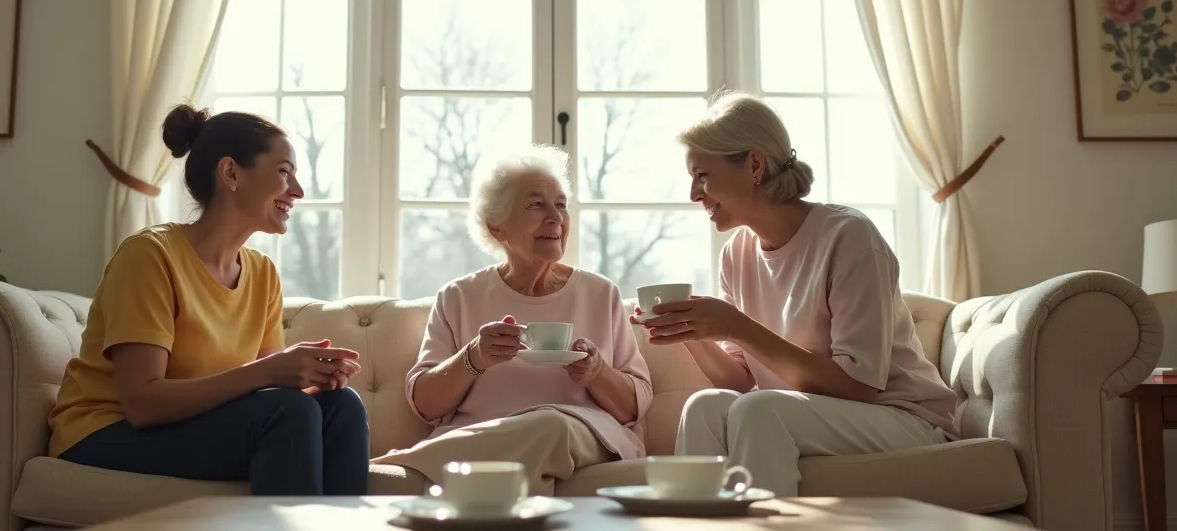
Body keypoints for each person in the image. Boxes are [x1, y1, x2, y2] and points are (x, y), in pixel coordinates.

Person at [635, 90, 957, 497]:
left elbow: (858, 386)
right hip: (813, 413)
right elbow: (739, 379)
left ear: (754, 163)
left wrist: (738, 326)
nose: (694, 195)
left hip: (901, 415)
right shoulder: (737, 253)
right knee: (704, 406)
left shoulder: (849, 237)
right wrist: (692, 334)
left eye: (702, 175)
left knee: (759, 408)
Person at [47, 104, 370, 495]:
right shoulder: (150, 255)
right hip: (105, 430)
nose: (298, 191)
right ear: (231, 172)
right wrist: (271, 373)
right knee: (290, 411)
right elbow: (143, 403)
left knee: (341, 407)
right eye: (284, 172)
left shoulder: (262, 273)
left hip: (189, 425)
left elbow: (265, 389)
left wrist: (306, 373)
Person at [372, 145, 653, 495]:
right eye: (536, 205)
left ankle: (402, 466)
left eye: (561, 204)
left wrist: (598, 373)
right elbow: (426, 405)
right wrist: (473, 358)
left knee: (550, 425)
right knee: (538, 433)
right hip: (485, 432)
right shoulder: (459, 296)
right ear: (496, 227)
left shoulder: (600, 293)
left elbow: (634, 407)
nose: (555, 217)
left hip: (581, 434)